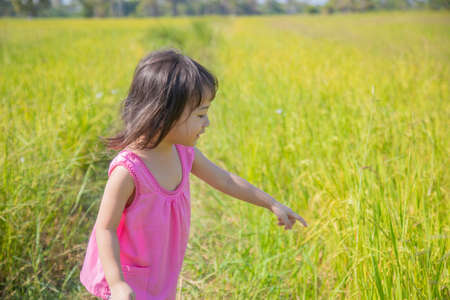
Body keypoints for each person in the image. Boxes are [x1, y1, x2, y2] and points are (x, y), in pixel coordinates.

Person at [80, 48, 308, 300]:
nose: (207, 123)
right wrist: (117, 284)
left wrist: (271, 202)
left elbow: (225, 180)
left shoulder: (183, 154)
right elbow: (105, 228)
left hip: (161, 271)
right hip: (127, 277)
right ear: (163, 113)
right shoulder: (128, 171)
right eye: (200, 114)